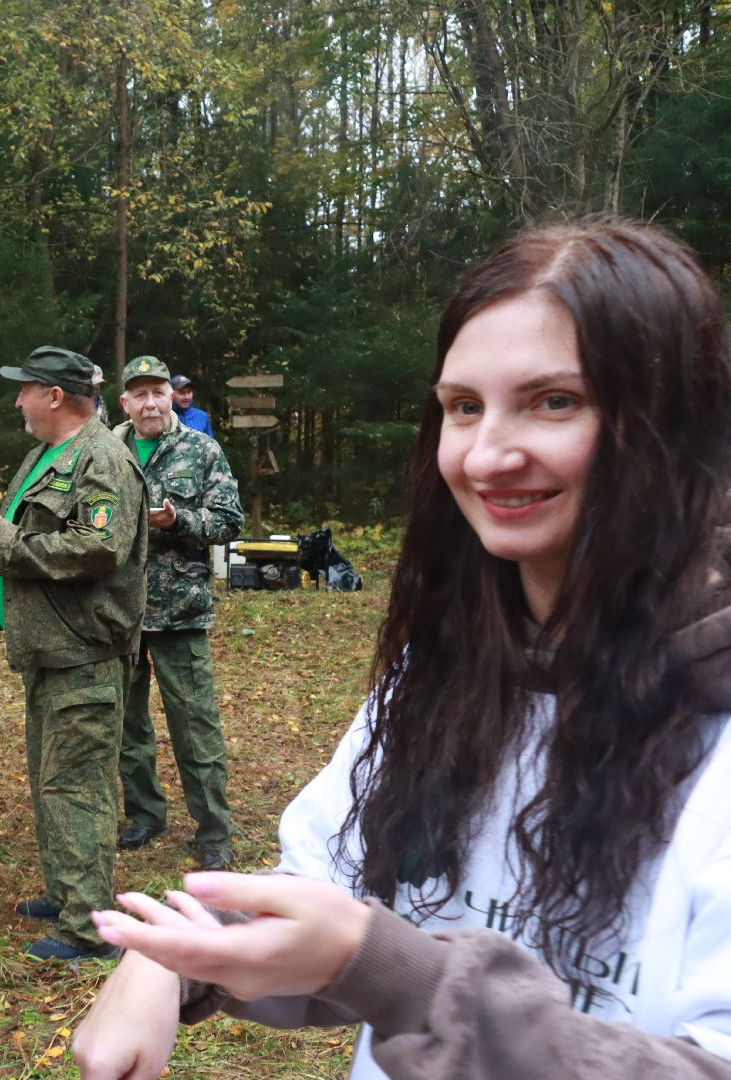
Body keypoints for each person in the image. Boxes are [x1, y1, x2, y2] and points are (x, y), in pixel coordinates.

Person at [71, 216, 731, 1079]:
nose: (487, 455)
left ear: (670, 419)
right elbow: (331, 903)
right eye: (463, 407)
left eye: (554, 400)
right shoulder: (445, 672)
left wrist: (394, 974)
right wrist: (176, 957)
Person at [0, 346, 147, 961]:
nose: (17, 401)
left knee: (77, 787)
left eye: (25, 389)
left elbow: (99, 547)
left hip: (84, 653)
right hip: (49, 649)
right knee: (51, 779)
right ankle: (70, 892)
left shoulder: (102, 457)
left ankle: (89, 929)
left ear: (55, 396)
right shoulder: (45, 456)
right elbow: (30, 543)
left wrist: (2, 539)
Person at [111, 355, 244, 866]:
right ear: (124, 401)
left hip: (179, 610)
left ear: (173, 396)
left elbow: (229, 521)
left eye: (158, 392)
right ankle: (145, 814)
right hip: (118, 612)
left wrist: (178, 520)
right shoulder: (106, 449)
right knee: (128, 724)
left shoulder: (200, 449)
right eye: (138, 394)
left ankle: (213, 832)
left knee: (195, 725)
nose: (149, 403)